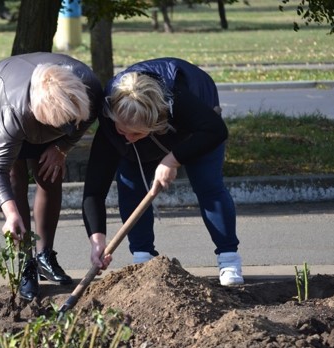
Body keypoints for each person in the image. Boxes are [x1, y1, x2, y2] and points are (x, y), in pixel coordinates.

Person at [82, 57, 244, 286]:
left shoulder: (180, 101)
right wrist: (97, 239)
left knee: (207, 185)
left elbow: (216, 131)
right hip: (145, 124)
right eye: (122, 130)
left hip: (200, 129)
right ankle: (142, 257)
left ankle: (229, 259)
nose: (128, 139)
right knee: (130, 185)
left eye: (135, 134)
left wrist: (172, 160)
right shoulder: (111, 123)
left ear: (156, 124)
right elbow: (94, 190)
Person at [0, 52, 102, 300]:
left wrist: (61, 147)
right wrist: (10, 215)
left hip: (48, 104)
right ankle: (25, 263)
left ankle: (44, 257)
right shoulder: (15, 112)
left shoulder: (90, 89)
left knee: (50, 173)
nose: (61, 131)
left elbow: (84, 122)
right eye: (54, 128)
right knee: (15, 176)